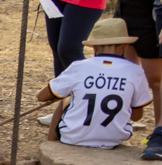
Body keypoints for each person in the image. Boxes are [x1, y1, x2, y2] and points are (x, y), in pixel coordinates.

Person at [38, 17, 151, 152]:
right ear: (125, 46)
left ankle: (52, 145)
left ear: (94, 47)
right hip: (114, 139)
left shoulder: (79, 67)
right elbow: (136, 116)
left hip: (73, 137)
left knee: (66, 99)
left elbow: (42, 97)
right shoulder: (136, 71)